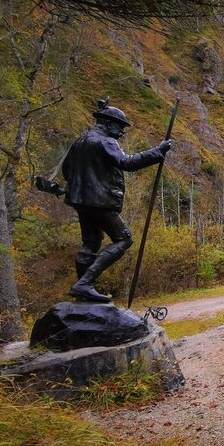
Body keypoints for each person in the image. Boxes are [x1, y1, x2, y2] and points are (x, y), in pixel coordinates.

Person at [62, 98, 174, 302]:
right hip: (101, 201)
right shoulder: (106, 141)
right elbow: (127, 162)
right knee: (124, 238)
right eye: (120, 127)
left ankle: (83, 294)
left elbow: (66, 170)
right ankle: (85, 284)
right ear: (109, 124)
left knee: (90, 244)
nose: (122, 133)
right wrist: (157, 152)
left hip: (80, 200)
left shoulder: (79, 141)